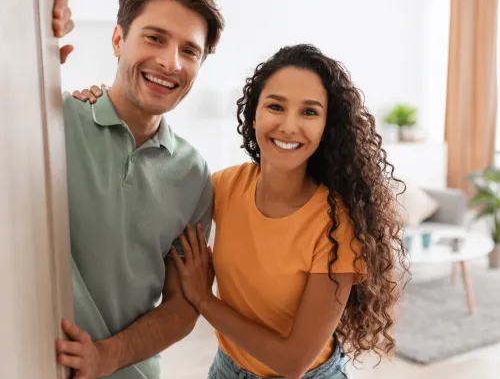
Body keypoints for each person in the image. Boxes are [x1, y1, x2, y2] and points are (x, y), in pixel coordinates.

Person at [74, 45, 409, 378]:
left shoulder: (337, 226)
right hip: (227, 369)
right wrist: (100, 104)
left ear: (327, 127)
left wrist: (205, 301)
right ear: (254, 114)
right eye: (275, 106)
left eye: (309, 112)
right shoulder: (224, 186)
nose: (289, 126)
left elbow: (292, 362)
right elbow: (152, 194)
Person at [50, 0, 225, 379]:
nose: (171, 62)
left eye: (190, 50)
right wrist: (28, 41)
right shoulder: (52, 123)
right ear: (117, 40)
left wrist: (108, 356)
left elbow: (183, 306)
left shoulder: (194, 174)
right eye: (155, 38)